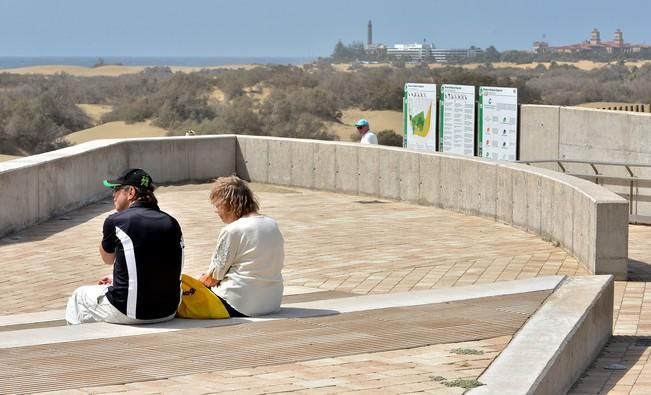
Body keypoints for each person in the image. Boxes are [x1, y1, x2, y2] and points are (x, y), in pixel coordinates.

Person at [65, 168, 184, 325]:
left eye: (116, 189)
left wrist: (106, 235)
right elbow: (156, 263)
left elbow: (107, 259)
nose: (113, 195)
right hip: (168, 310)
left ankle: (76, 345)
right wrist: (117, 279)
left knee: (79, 297)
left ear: (131, 192)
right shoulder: (171, 222)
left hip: (130, 311)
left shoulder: (116, 221)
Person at [199, 176, 284, 317]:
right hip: (272, 301)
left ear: (228, 204)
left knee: (187, 292)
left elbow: (213, 277)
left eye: (217, 206)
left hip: (238, 303)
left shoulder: (232, 230)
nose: (216, 211)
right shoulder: (272, 224)